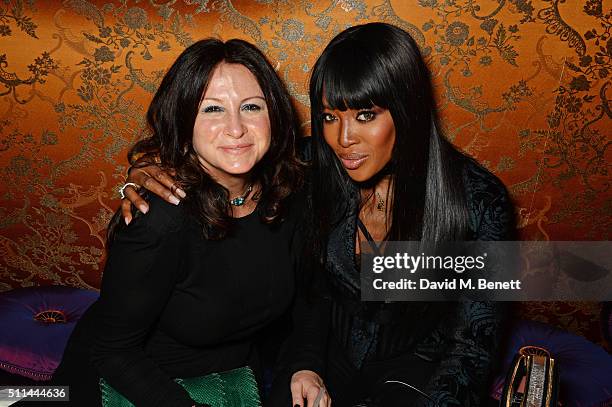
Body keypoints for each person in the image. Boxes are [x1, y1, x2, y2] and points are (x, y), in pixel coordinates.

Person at [123, 23, 514, 406]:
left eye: (366, 115)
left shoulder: (481, 202)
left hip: (415, 366)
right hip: (319, 355)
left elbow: (472, 348)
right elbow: (229, 157)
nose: (343, 139)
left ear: (407, 109)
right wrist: (147, 170)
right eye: (329, 116)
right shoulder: (309, 166)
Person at [51, 38, 305, 406]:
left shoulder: (291, 192)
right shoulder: (160, 218)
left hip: (228, 373)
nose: (236, 128)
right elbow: (112, 352)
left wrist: (304, 364)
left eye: (251, 106)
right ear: (183, 121)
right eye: (212, 110)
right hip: (128, 383)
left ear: (275, 116)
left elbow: (314, 297)